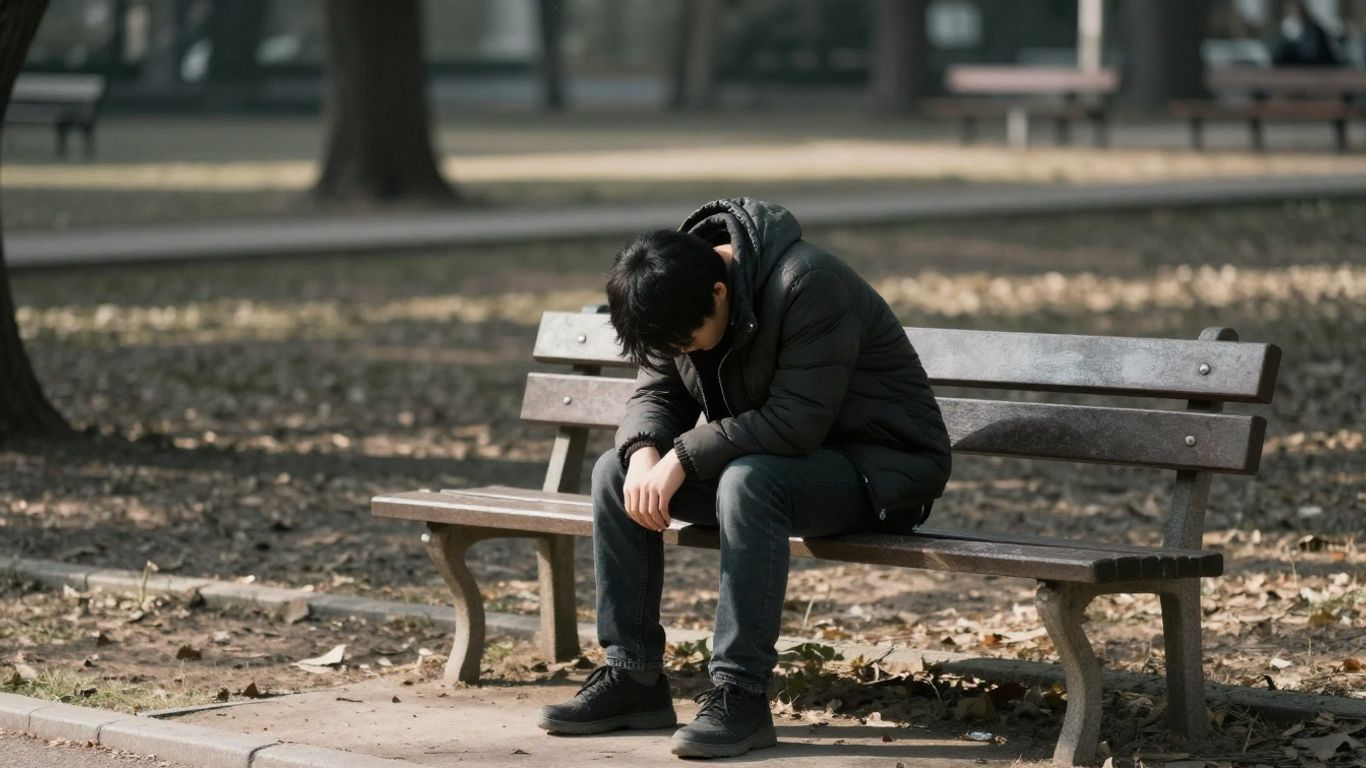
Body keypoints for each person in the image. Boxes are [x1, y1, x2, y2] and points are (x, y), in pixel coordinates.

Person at [536, 198, 951, 758]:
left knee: (749, 482)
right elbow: (656, 394)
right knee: (614, 472)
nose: (682, 351)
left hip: (881, 472)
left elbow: (798, 421)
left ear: (720, 292)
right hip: (777, 466)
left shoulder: (808, 283)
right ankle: (632, 676)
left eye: (687, 340)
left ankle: (741, 692)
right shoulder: (674, 296)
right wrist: (642, 453)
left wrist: (680, 457)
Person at [1271, 0, 1343, 67]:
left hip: (1315, 67)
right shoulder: (1284, 29)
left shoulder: (1313, 29)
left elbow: (1312, 52)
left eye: (1295, 12)